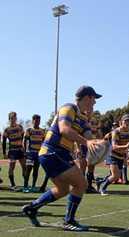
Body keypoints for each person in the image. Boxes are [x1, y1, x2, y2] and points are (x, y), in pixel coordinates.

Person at [22, 86, 101, 231]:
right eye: (94, 99)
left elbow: (89, 138)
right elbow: (64, 129)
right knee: (81, 184)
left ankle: (32, 208)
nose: (95, 103)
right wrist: (87, 142)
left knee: (63, 189)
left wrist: (100, 146)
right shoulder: (68, 108)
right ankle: (68, 220)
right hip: (53, 152)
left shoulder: (83, 118)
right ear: (87, 97)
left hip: (58, 155)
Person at [97, 114, 129, 195]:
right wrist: (126, 146)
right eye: (125, 121)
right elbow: (114, 147)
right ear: (121, 122)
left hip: (121, 156)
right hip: (112, 155)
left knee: (115, 175)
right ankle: (102, 189)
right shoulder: (116, 132)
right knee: (116, 175)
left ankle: (100, 181)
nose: (127, 122)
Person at [2, 112, 26, 190]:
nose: (13, 119)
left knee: (24, 166)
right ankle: (13, 185)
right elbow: (4, 142)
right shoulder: (7, 129)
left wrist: (23, 146)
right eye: (12, 118)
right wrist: (4, 152)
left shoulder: (20, 127)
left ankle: (25, 184)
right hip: (12, 151)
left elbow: (23, 137)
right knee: (12, 167)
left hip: (20, 150)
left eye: (15, 118)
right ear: (9, 119)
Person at [23, 115, 46, 192]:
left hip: (38, 154)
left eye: (39, 121)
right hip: (30, 153)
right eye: (36, 121)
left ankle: (33, 186)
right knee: (28, 170)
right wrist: (25, 151)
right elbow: (25, 141)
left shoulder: (42, 131)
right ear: (33, 121)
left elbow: (44, 142)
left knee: (36, 170)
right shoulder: (29, 130)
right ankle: (25, 187)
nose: (37, 122)